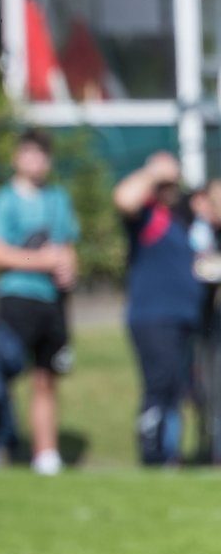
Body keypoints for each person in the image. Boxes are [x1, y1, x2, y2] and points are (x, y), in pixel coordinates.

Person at [0, 128, 80, 475]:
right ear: (17, 158)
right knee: (3, 374)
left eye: (41, 155)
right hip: (17, 299)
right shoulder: (4, 200)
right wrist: (42, 261)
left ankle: (46, 453)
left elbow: (66, 247)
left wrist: (68, 268)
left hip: (51, 303)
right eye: (29, 153)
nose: (35, 161)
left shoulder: (58, 199)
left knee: (46, 377)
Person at [112, 152, 206, 465]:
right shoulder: (145, 216)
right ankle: (153, 454)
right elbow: (124, 198)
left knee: (177, 390)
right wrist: (154, 172)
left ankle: (171, 454)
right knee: (159, 384)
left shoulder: (182, 219)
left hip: (184, 318)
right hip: (153, 317)